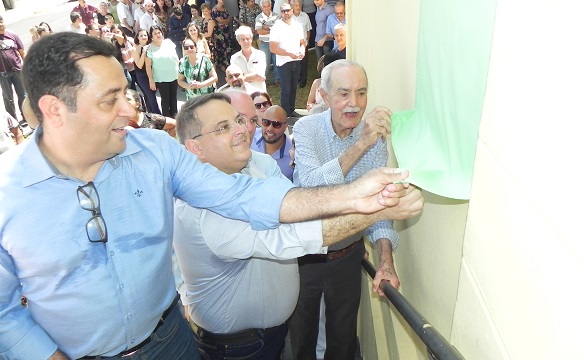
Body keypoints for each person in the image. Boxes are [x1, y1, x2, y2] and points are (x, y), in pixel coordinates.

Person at [1, 31, 415, 360]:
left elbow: (248, 198)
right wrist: (364, 206)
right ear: (54, 109)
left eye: (126, 95)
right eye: (112, 100)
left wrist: (355, 197)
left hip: (173, 342)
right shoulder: (7, 196)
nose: (130, 111)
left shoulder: (155, 152)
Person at [173, 93, 424, 360]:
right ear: (195, 148)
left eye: (239, 120)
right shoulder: (201, 209)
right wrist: (372, 210)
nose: (242, 129)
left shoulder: (258, 164)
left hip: (272, 336)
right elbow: (289, 236)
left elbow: (298, 209)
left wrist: (360, 200)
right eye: (223, 127)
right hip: (238, 349)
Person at [288, 59, 402, 359]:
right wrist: (362, 143)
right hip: (304, 257)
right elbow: (312, 189)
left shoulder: (376, 141)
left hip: (348, 257)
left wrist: (386, 262)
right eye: (344, 93)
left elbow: (380, 209)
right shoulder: (307, 129)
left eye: (361, 93)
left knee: (343, 341)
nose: (354, 104)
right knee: (300, 337)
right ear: (324, 96)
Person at [269, 2, 304, 117]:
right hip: (283, 62)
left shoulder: (297, 25)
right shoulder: (276, 27)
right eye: (283, 11)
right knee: (286, 89)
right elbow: (273, 48)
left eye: (288, 10)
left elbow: (302, 43)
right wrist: (289, 54)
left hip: (296, 61)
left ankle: (291, 110)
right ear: (281, 12)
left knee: (294, 88)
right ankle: (285, 114)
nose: (286, 13)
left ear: (292, 11)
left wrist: (302, 51)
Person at [251, 104, 293, 180]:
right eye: (266, 122)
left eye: (276, 124)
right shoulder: (250, 138)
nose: (270, 128)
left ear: (285, 126)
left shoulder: (294, 156)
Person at [146, 25, 179, 116]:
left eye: (159, 32)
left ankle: (175, 117)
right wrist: (151, 80)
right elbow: (148, 65)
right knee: (165, 99)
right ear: (151, 36)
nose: (158, 35)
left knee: (173, 98)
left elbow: (176, 58)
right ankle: (167, 119)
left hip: (173, 75)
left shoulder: (168, 42)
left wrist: (181, 72)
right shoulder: (150, 48)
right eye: (155, 34)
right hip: (161, 78)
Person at [0, 16, 27, 123]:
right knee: (8, 98)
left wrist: (27, 66)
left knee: (23, 95)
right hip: (3, 74)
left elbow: (22, 52)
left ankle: (26, 116)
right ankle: (13, 122)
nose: (1, 25)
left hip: (17, 70)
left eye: (1, 22)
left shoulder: (12, 35)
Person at [133, 28, 161, 113]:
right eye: (141, 35)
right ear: (137, 37)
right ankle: (158, 115)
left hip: (153, 73)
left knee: (148, 96)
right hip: (142, 75)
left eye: (145, 35)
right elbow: (139, 65)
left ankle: (151, 115)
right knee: (151, 96)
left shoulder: (151, 45)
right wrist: (144, 51)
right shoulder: (135, 48)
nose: (143, 37)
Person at [230, 25, 267, 92]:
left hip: (259, 93)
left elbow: (260, 76)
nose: (246, 41)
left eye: (247, 39)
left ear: (251, 40)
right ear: (239, 42)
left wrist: (242, 77)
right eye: (243, 39)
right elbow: (235, 79)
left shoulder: (260, 55)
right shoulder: (234, 58)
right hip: (242, 94)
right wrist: (254, 77)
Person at [255, 0, 279, 85]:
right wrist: (271, 28)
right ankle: (264, 80)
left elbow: (278, 30)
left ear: (270, 6)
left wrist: (266, 27)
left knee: (277, 62)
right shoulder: (258, 17)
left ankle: (277, 80)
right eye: (264, 6)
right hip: (264, 43)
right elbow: (259, 31)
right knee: (265, 63)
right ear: (261, 7)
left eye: (267, 6)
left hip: (275, 42)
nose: (266, 8)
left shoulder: (276, 16)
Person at [290, 0, 311, 88]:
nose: (298, 7)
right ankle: (296, 79)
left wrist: (307, 42)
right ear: (292, 7)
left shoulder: (305, 16)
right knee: (294, 63)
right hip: (293, 45)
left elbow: (308, 30)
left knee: (303, 63)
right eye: (296, 5)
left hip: (303, 44)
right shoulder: (289, 17)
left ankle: (303, 80)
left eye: (299, 5)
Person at [211, 0, 235, 71]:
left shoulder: (225, 9)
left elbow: (230, 19)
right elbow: (220, 21)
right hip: (219, 32)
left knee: (228, 47)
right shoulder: (215, 10)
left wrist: (225, 21)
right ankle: (223, 65)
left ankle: (229, 63)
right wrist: (226, 20)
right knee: (221, 48)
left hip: (227, 31)